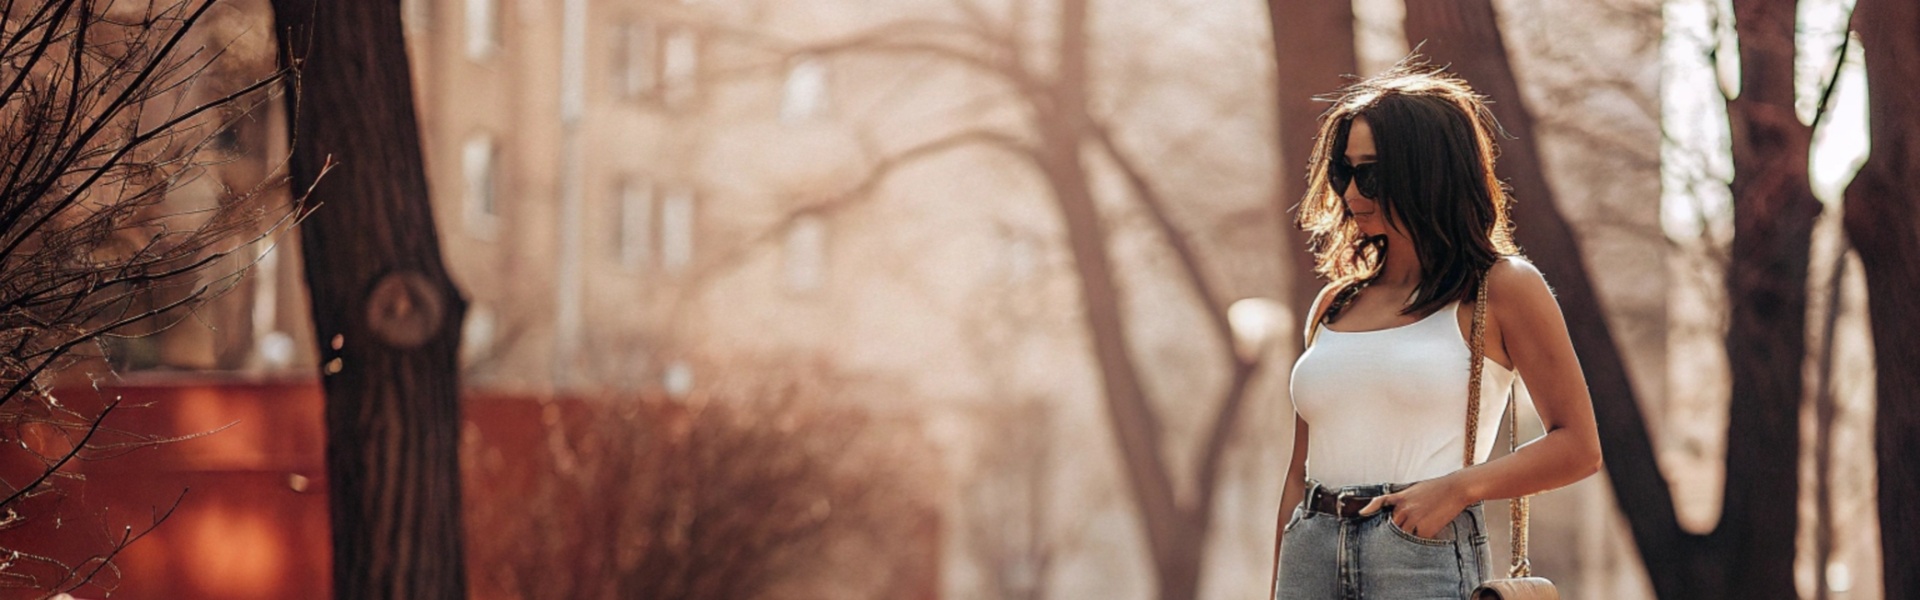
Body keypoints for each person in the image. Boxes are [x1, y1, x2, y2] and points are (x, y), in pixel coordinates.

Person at [1269, 59, 1604, 599]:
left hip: (1417, 549)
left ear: (1428, 172)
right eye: (1343, 171)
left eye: (1371, 172)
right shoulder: (1335, 302)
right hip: (1310, 548)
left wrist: (1457, 490)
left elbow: (1579, 446)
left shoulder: (1501, 287)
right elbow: (1295, 474)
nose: (1352, 190)